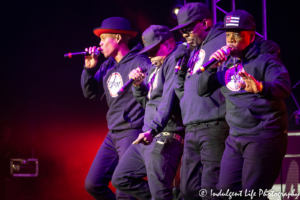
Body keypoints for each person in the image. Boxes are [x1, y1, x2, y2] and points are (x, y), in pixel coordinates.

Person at [197, 10, 290, 199]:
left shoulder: (265, 59)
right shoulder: (224, 63)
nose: (231, 40)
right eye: (228, 35)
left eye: (237, 35)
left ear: (251, 36)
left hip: (264, 137)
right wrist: (211, 69)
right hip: (236, 138)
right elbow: (202, 90)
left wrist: (260, 87)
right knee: (226, 192)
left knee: (252, 194)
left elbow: (284, 86)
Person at [81, 17, 151, 200]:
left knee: (124, 190)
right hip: (113, 133)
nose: (100, 44)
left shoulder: (140, 61)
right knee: (93, 184)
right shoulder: (107, 66)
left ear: (118, 38)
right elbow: (90, 93)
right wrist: (89, 70)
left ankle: (165, 194)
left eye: (104, 39)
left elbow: (153, 93)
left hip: (133, 130)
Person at [112, 25, 184, 200]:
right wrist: (138, 87)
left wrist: (153, 130)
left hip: (165, 135)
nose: (149, 56)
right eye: (148, 51)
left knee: (160, 191)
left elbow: (168, 100)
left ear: (167, 44)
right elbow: (148, 103)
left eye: (153, 50)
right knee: (121, 178)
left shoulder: (173, 61)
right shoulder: (154, 68)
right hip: (148, 134)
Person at [170, 3, 229, 200]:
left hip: (214, 124)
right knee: (187, 191)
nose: (184, 35)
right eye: (181, 31)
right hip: (192, 127)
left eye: (188, 29)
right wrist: (179, 73)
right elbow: (183, 92)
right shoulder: (192, 52)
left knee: (211, 191)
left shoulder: (223, 39)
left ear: (205, 22)